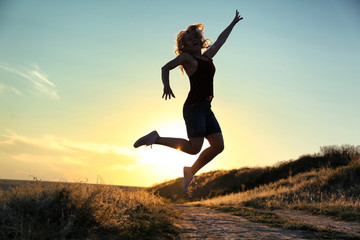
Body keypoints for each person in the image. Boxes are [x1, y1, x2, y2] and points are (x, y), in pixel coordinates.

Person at [134, 10, 243, 191]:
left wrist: (232, 24)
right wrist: (166, 86)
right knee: (194, 148)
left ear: (201, 40)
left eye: (196, 38)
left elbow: (220, 40)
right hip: (194, 107)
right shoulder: (187, 58)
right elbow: (165, 67)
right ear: (184, 46)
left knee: (218, 146)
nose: (194, 40)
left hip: (206, 107)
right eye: (189, 40)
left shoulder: (207, 57)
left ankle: (190, 171)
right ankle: (156, 138)